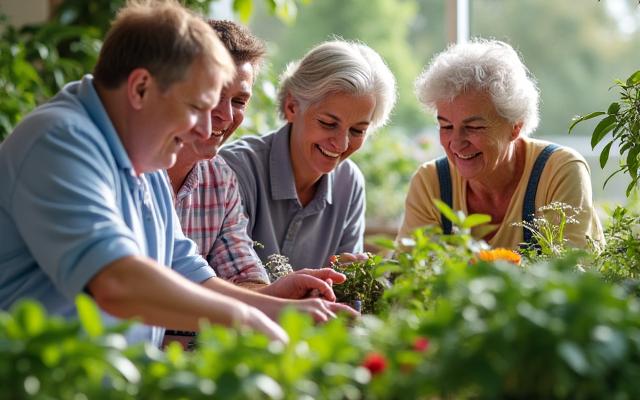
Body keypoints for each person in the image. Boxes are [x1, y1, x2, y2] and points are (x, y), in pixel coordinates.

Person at [0, 0, 353, 348]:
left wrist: (279, 308)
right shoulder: (59, 140)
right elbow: (117, 283)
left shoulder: (144, 154)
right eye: (196, 107)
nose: (206, 129)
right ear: (140, 88)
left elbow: (184, 268)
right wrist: (247, 319)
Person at [167, 20, 345, 295]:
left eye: (239, 101)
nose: (226, 116)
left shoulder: (220, 179)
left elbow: (243, 275)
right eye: (213, 95)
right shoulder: (133, 167)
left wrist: (284, 294)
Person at [397, 39, 604, 250]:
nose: (456, 143)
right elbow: (410, 274)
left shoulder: (559, 171)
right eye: (447, 127)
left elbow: (570, 272)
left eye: (475, 127)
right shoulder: (431, 183)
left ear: (515, 127)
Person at [219, 40, 397, 269]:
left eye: (357, 130)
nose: (341, 144)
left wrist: (347, 279)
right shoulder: (236, 171)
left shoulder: (349, 184)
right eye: (328, 123)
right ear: (292, 107)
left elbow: (344, 296)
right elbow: (228, 282)